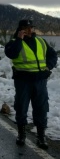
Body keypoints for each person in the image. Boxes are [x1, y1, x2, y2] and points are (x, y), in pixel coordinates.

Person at [4, 19, 58, 149]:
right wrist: (19, 39)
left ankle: (41, 137)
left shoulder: (40, 41)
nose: (29, 30)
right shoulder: (13, 43)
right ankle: (21, 135)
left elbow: (52, 55)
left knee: (41, 108)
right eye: (26, 28)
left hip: (40, 81)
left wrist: (48, 67)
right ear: (20, 29)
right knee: (21, 107)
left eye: (31, 28)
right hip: (23, 81)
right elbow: (11, 54)